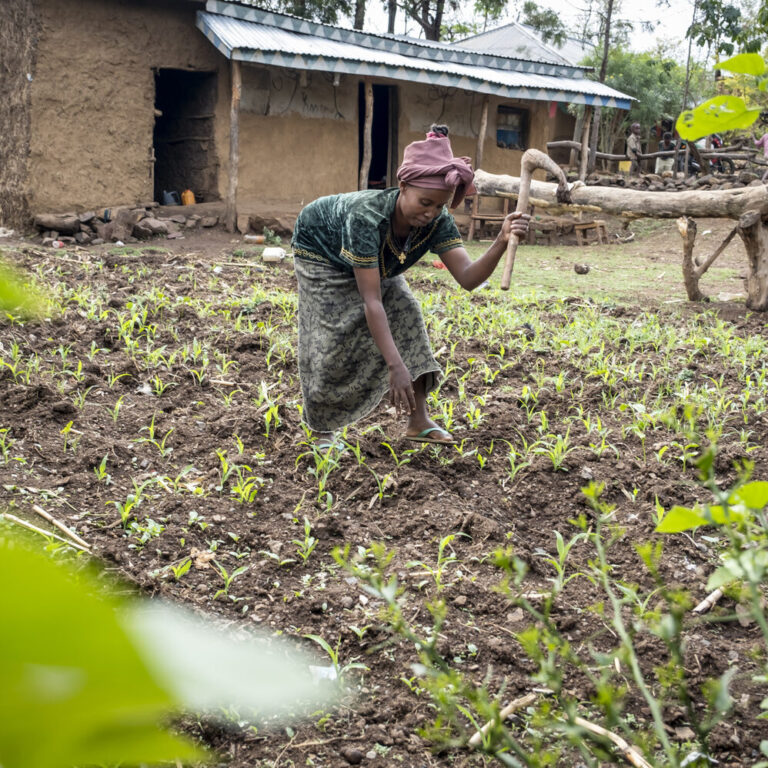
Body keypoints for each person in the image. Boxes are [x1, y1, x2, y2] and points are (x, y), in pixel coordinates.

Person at [291, 124, 530, 447]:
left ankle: (418, 421)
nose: (430, 213)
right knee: (332, 333)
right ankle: (321, 430)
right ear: (402, 186)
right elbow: (372, 301)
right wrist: (395, 365)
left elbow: (469, 278)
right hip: (320, 250)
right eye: (424, 202)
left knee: (406, 310)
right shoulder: (367, 218)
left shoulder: (437, 221)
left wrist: (501, 240)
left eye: (439, 206)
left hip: (376, 257)